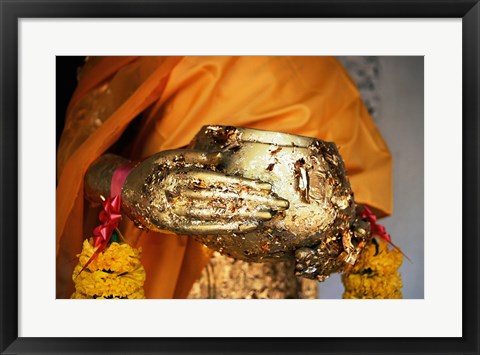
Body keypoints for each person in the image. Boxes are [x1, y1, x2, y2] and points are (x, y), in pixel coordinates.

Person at [56, 56, 392, 299]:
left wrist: (342, 237)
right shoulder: (142, 46)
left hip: (281, 292)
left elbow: (355, 195)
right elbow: (72, 160)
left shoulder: (318, 66)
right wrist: (127, 186)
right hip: (162, 276)